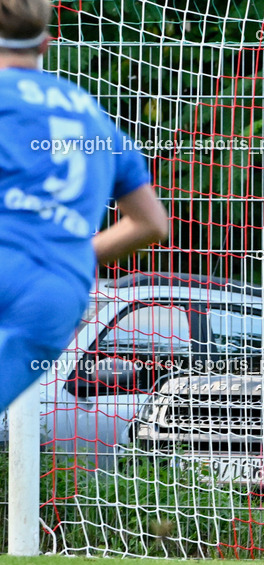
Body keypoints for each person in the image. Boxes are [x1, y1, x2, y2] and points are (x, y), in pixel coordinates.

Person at [0, 0, 168, 412]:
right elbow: (151, 223)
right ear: (45, 45)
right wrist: (65, 253)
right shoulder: (91, 113)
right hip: (54, 296)